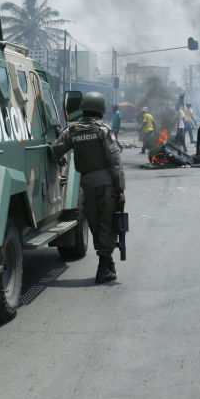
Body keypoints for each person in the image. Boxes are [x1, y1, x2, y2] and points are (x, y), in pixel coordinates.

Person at [51, 92, 126, 284]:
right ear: (101, 108)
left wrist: (57, 158)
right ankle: (104, 266)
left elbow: (55, 150)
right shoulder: (103, 130)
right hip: (107, 184)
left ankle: (107, 263)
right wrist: (120, 189)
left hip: (87, 184)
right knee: (108, 223)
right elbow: (115, 161)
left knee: (94, 223)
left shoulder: (71, 130)